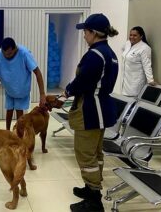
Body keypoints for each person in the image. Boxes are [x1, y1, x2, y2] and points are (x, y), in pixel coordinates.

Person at [62, 13, 119, 212]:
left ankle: (94, 200)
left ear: (93, 33)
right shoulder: (109, 53)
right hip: (102, 108)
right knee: (96, 153)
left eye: (85, 32)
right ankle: (91, 187)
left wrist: (65, 93)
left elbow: (82, 81)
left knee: (85, 154)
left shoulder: (95, 54)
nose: (84, 35)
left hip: (90, 110)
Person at [0, 37, 46, 131]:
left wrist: (42, 94)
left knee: (19, 113)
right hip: (9, 89)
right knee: (9, 110)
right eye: (4, 54)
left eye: (9, 53)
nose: (6, 56)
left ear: (15, 48)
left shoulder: (24, 53)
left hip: (21, 90)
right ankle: (8, 131)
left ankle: (19, 134)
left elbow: (37, 72)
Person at [121, 26, 156, 97]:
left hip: (135, 82)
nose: (132, 37)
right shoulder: (127, 43)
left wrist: (150, 80)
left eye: (135, 35)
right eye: (130, 35)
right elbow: (123, 50)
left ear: (141, 36)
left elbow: (147, 65)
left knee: (132, 101)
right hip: (125, 80)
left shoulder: (145, 48)